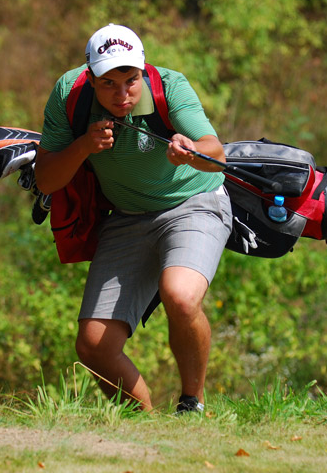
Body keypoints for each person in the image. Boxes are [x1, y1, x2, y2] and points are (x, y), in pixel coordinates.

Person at [34, 23, 232, 413]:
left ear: (143, 69)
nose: (122, 94)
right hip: (127, 217)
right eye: (108, 83)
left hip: (193, 202)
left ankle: (192, 404)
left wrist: (191, 151)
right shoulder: (67, 94)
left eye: (131, 80)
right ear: (89, 77)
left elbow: (217, 153)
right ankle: (145, 424)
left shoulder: (170, 87)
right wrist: (83, 147)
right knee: (93, 344)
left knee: (180, 295)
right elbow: (47, 178)